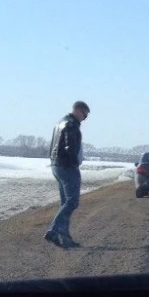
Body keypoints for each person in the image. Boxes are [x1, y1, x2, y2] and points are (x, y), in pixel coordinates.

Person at [44, 101, 89, 249]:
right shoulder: (71, 125)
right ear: (78, 110)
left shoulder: (60, 123)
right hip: (67, 167)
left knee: (65, 203)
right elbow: (70, 147)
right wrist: (74, 162)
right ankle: (54, 230)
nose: (85, 118)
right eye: (84, 114)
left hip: (57, 166)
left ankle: (64, 237)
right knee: (72, 202)